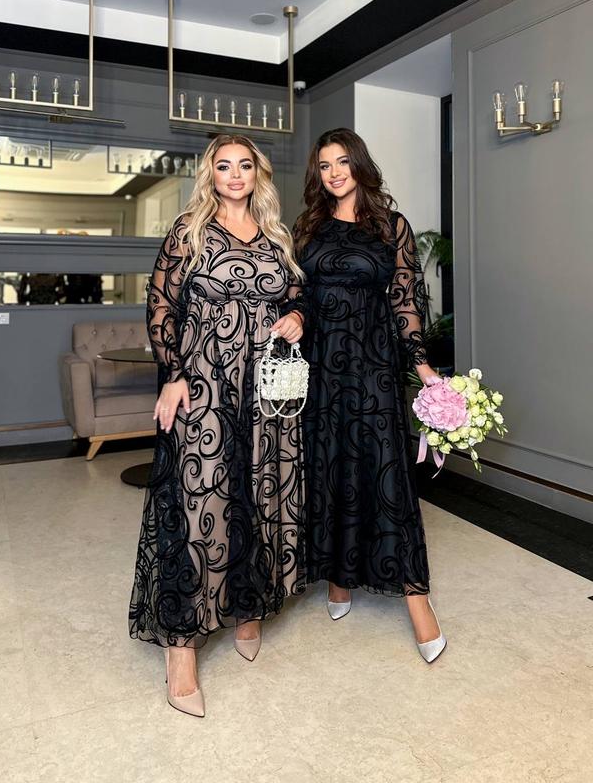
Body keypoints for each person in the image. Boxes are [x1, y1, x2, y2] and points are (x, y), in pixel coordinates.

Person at [129, 134, 306, 717]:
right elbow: (161, 304)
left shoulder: (277, 235)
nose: (235, 175)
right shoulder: (190, 230)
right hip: (203, 383)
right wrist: (173, 375)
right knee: (199, 499)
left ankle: (247, 608)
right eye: (224, 166)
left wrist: (298, 317)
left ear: (258, 174)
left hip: (266, 391)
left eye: (244, 165)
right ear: (211, 174)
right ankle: (181, 646)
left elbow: (298, 295)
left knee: (259, 494)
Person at [292, 127, 446, 663]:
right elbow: (296, 294)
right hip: (318, 366)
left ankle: (417, 599)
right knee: (328, 466)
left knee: (385, 469)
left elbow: (405, 301)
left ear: (359, 165)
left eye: (342, 162)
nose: (334, 173)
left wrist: (421, 366)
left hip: (373, 363)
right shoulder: (307, 227)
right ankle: (338, 577)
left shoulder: (390, 226)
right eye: (325, 165)